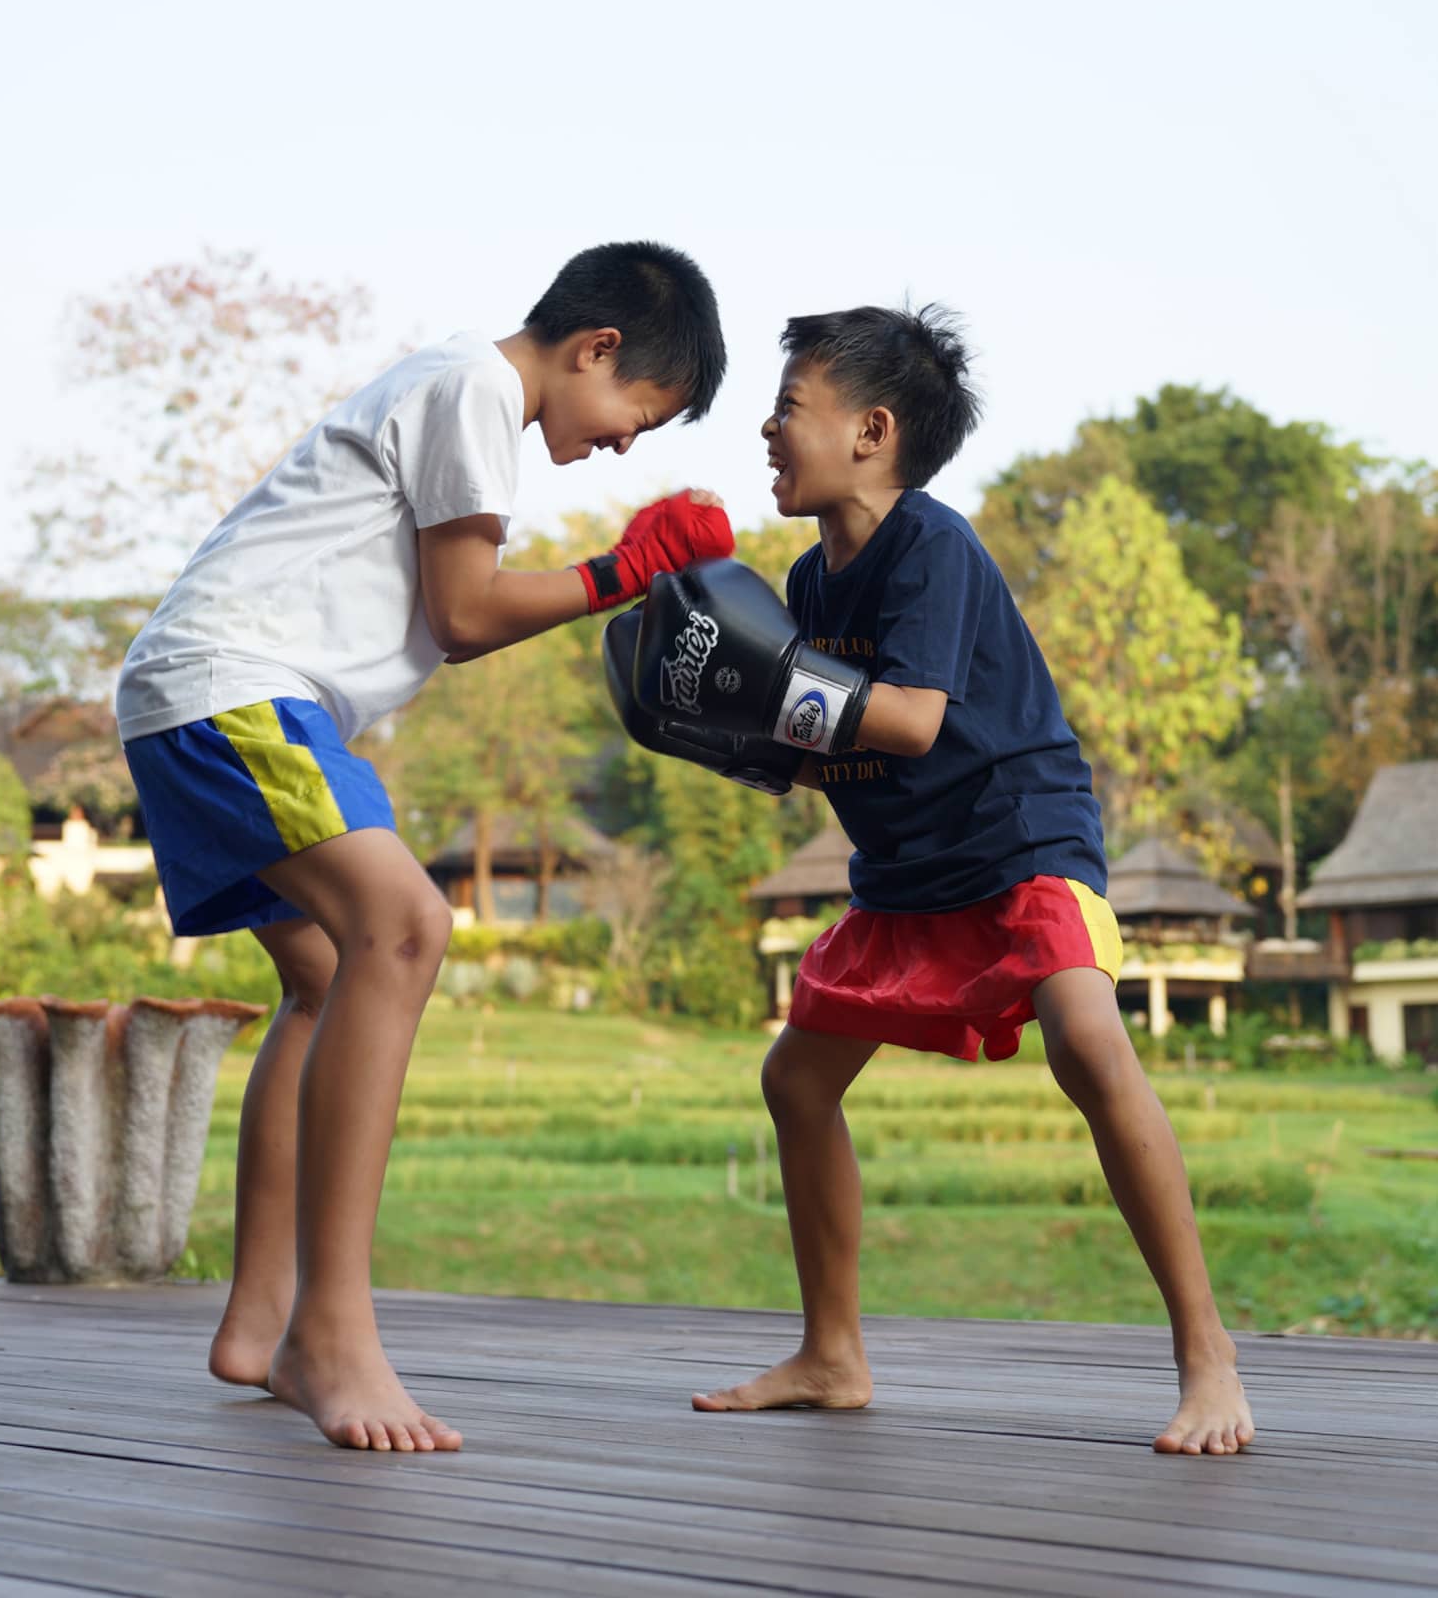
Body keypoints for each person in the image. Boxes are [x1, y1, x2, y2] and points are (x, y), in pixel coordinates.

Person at [117, 242, 731, 1454]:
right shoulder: (473, 390)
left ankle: (261, 1321)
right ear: (595, 349)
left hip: (230, 694)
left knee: (327, 976)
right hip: (232, 689)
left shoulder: (462, 392)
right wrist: (625, 567)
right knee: (405, 926)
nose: (620, 446)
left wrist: (624, 568)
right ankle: (331, 1338)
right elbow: (463, 615)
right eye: (633, 419)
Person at [617, 304, 1255, 1457]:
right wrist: (717, 727)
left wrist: (769, 696)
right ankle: (832, 1354)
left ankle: (1208, 1358)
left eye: (788, 407)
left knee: (1087, 1038)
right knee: (797, 1081)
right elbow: (819, 753)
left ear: (871, 431)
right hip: (904, 872)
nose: (766, 428)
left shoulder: (930, 544)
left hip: (1019, 842)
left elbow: (906, 722)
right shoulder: (810, 584)